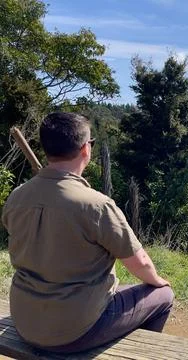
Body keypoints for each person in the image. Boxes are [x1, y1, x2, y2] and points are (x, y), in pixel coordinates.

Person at [1, 112, 173, 353]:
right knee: (163, 296)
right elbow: (140, 262)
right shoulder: (96, 205)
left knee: (125, 291)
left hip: (26, 320)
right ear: (85, 149)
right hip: (73, 331)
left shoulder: (17, 197)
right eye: (91, 143)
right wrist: (158, 281)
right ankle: (138, 352)